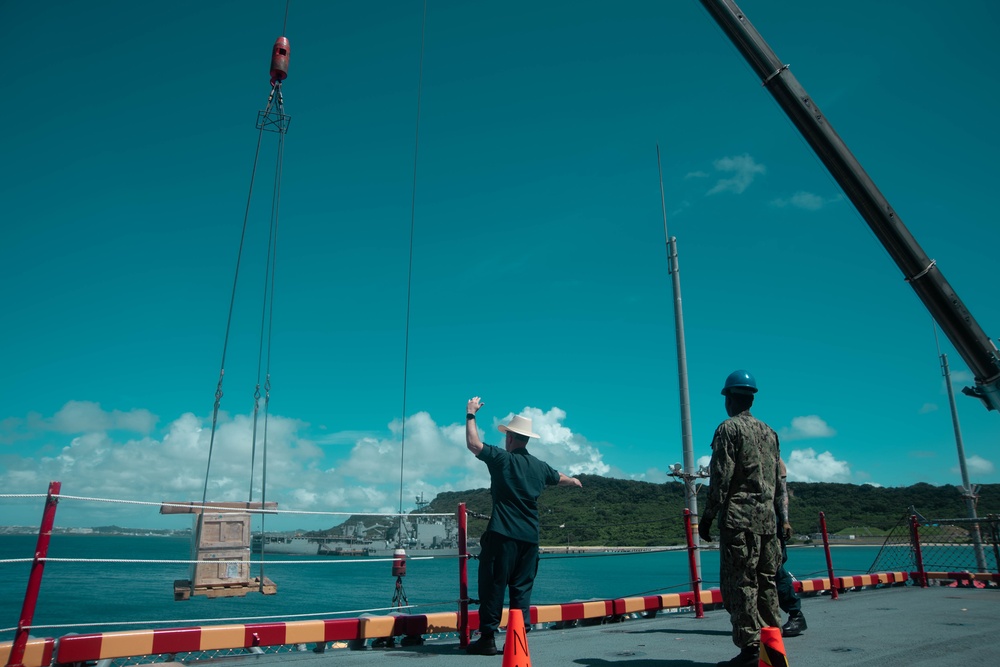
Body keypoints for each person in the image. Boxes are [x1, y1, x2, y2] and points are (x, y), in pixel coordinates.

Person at [464, 396, 583, 656]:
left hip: (502, 534)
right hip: (530, 538)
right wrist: (574, 480)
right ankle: (517, 641)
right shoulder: (539, 467)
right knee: (521, 589)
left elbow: (474, 444)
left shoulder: (502, 460)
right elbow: (559, 478)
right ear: (526, 439)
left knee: (494, 585)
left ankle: (487, 639)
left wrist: (471, 414)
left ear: (510, 438)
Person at [698, 370, 783, 667]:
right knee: (767, 583)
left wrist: (707, 517)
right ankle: (772, 649)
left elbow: (720, 478)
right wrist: (782, 520)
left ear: (730, 399)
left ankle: (749, 651)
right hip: (768, 522)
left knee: (741, 584)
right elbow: (779, 482)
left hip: (739, 521)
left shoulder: (729, 429)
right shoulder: (770, 433)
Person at [776, 459, 807, 637]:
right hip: (751, 521)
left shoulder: (774, 458)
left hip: (771, 521)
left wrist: (785, 521)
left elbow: (781, 491)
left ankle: (796, 614)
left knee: (776, 569)